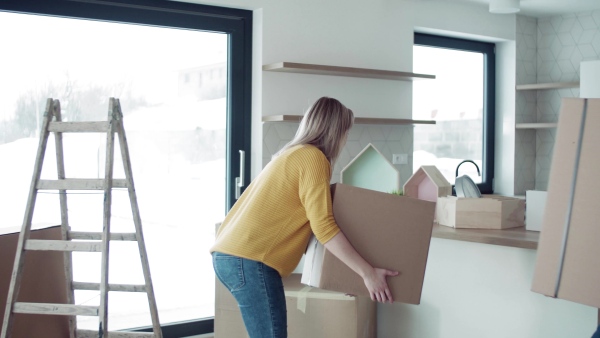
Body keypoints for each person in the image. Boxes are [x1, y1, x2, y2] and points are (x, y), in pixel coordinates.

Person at [210, 96, 399, 338]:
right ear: (336, 132)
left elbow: (310, 225)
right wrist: (367, 273)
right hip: (248, 261)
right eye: (345, 132)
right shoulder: (314, 159)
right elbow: (324, 227)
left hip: (232, 256)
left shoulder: (291, 154)